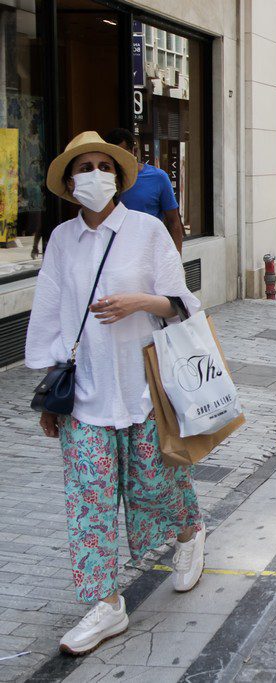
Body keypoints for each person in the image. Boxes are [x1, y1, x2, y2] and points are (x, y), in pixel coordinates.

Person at [25, 131, 204, 656]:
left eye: (105, 165)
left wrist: (138, 301)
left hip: (145, 389)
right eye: (85, 166)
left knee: (158, 487)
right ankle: (105, 603)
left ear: (120, 178)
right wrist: (50, 394)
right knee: (90, 503)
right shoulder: (62, 240)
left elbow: (184, 304)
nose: (96, 174)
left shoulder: (147, 231)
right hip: (85, 394)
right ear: (70, 180)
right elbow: (52, 314)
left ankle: (190, 533)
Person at [103, 128, 185, 253]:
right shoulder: (103, 180)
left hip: (149, 252)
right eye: (113, 156)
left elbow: (173, 221)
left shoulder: (158, 177)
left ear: (134, 151)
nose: (117, 160)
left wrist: (177, 261)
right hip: (114, 252)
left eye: (122, 154)